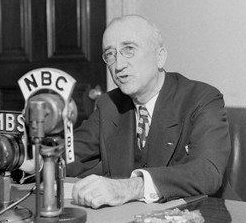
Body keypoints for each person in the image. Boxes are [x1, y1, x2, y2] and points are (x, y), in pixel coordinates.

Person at [67, 14, 234, 208]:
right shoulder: (109, 105)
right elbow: (69, 155)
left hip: (205, 218)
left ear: (159, 57)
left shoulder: (202, 98)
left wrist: (129, 188)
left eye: (129, 50)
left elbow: (207, 172)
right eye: (110, 55)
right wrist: (28, 156)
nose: (118, 66)